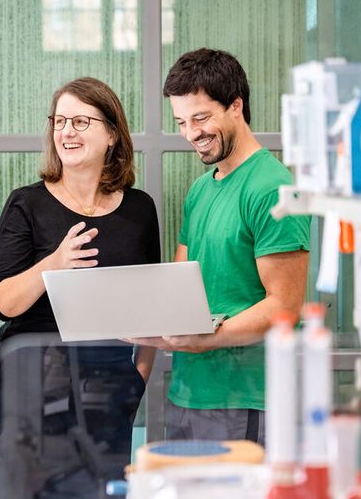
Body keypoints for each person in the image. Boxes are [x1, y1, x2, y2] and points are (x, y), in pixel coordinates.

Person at [126, 48, 310, 445]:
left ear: (236, 106)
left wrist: (203, 338)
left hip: (246, 397)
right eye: (181, 122)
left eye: (201, 117)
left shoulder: (274, 188)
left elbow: (285, 307)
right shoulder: (200, 190)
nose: (191, 133)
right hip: (188, 391)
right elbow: (180, 285)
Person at [0, 77, 160, 498]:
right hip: (30, 386)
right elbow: (3, 302)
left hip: (108, 388)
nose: (66, 131)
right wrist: (54, 264)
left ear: (111, 134)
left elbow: (152, 302)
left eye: (81, 121)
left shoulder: (140, 209)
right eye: (60, 121)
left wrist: (138, 376)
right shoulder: (26, 204)